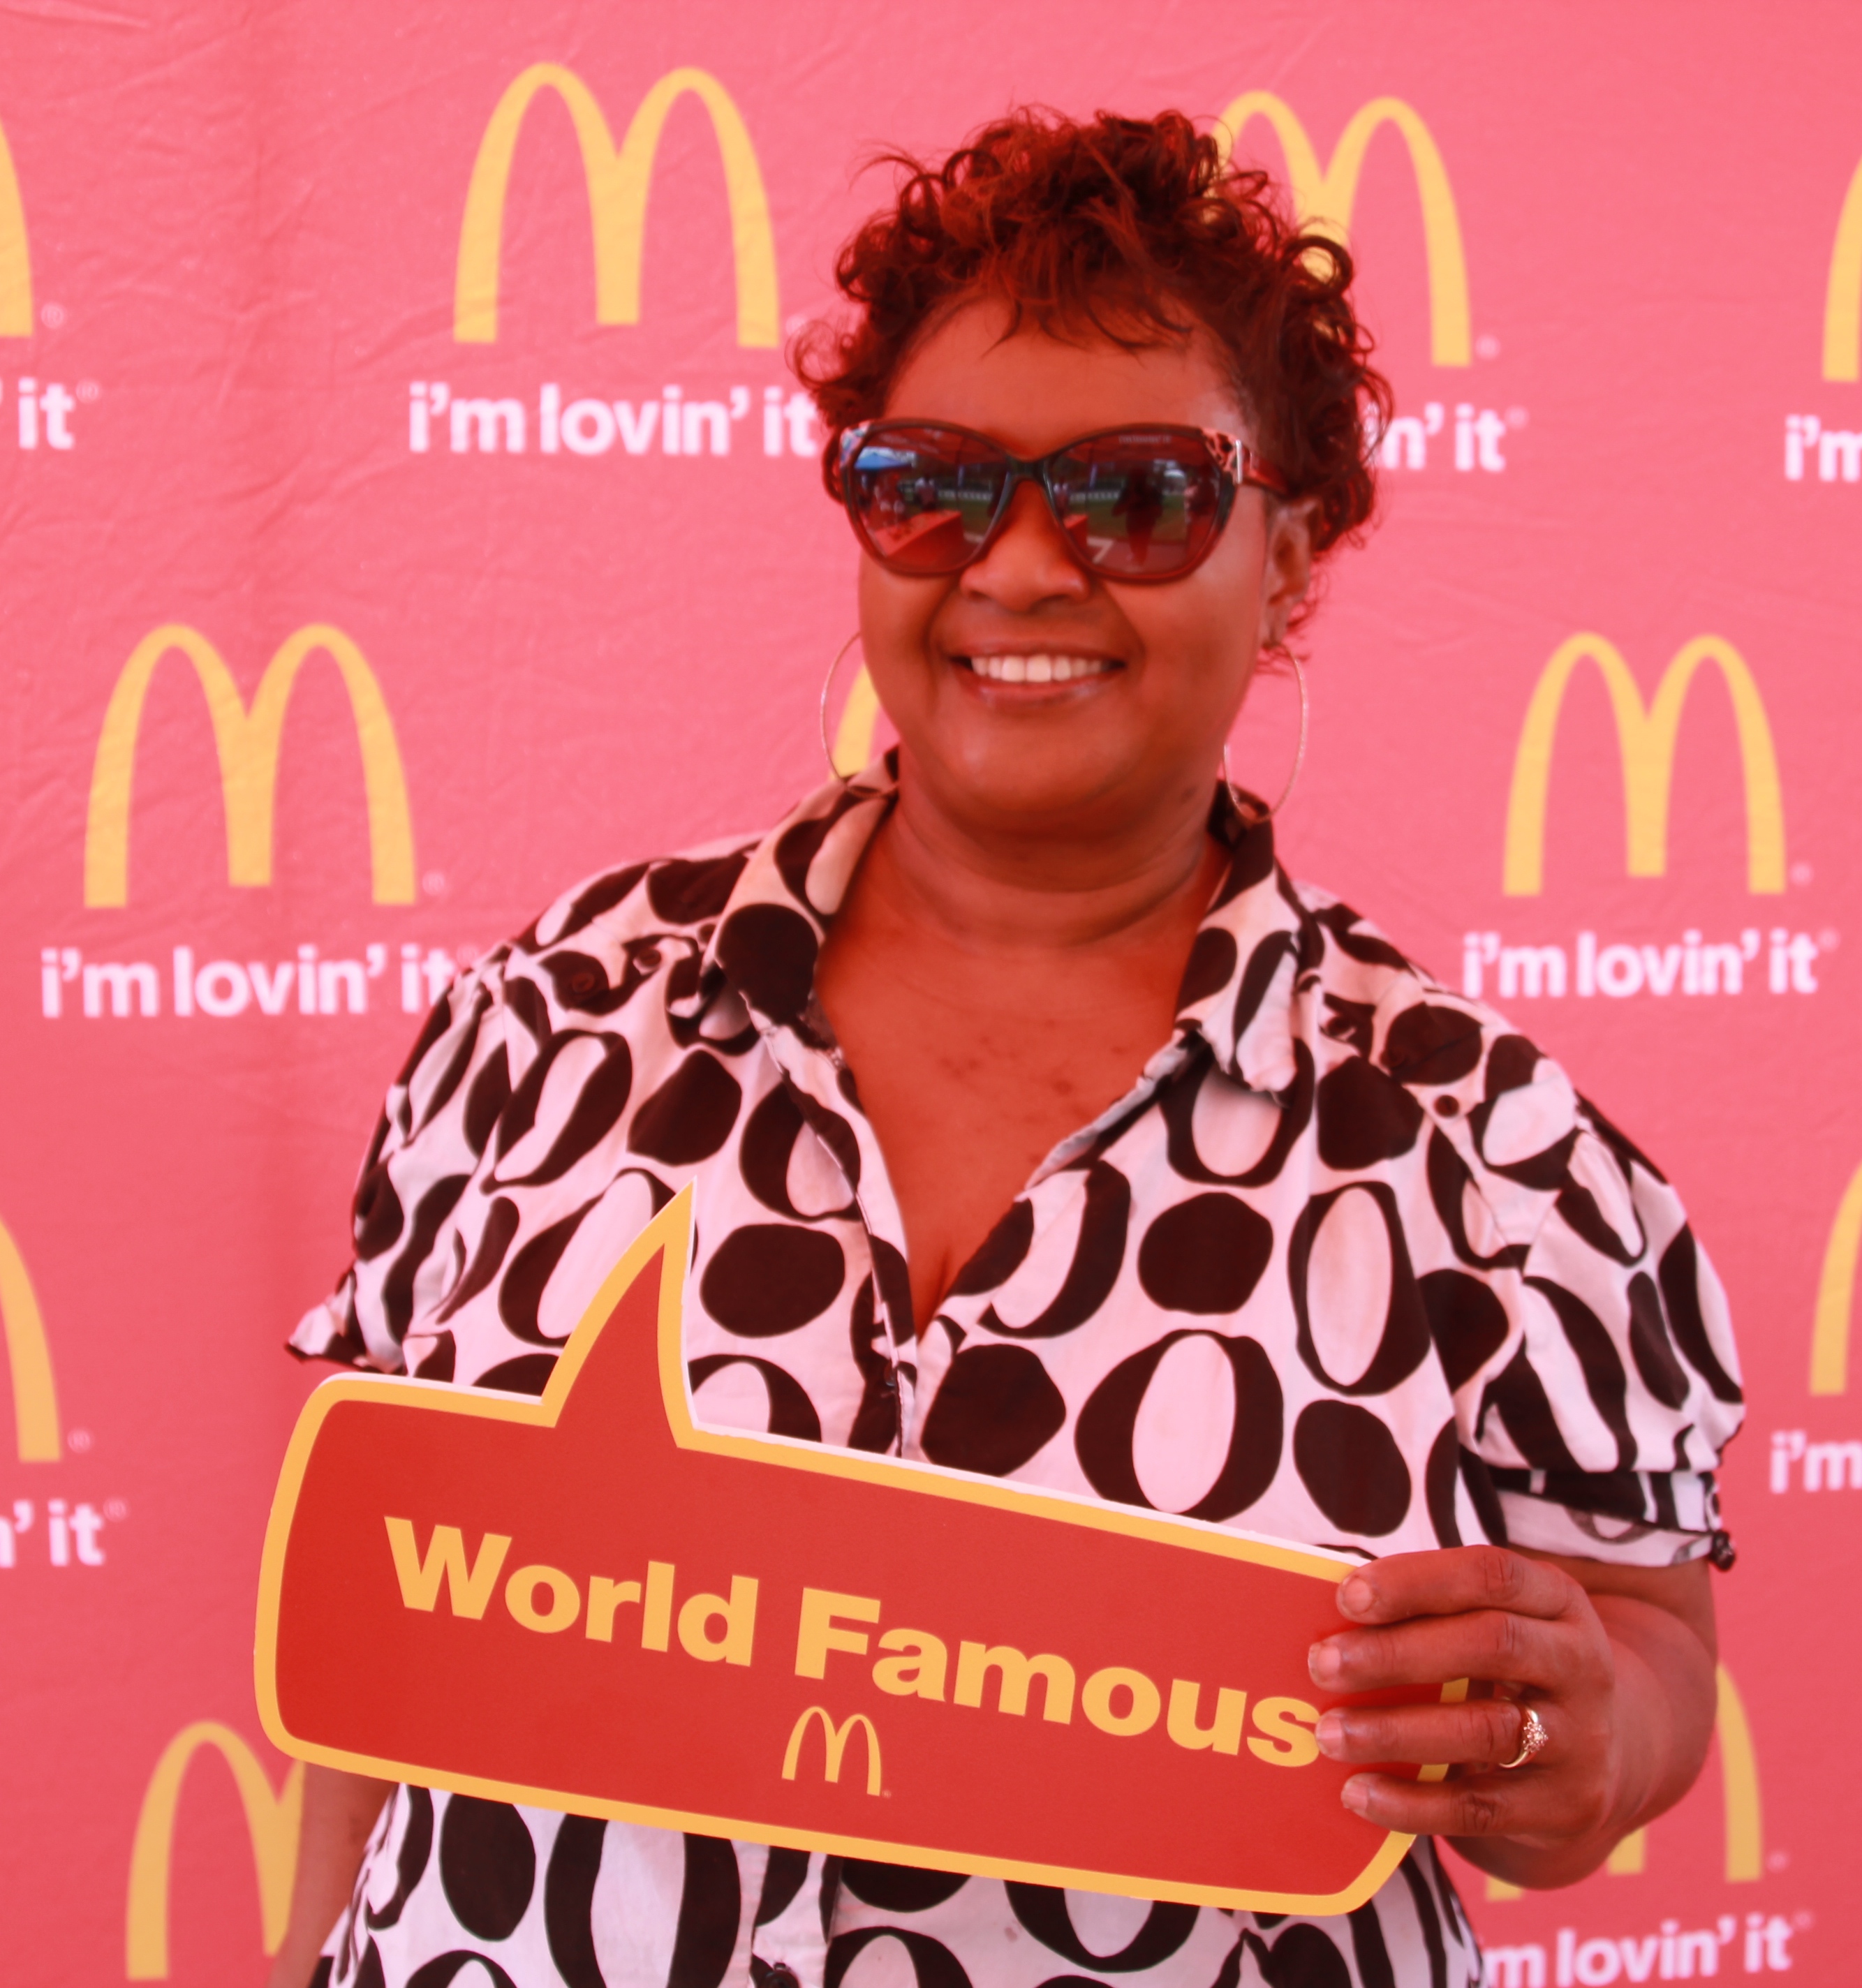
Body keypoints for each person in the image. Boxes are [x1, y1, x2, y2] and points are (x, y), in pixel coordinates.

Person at [272, 107, 1743, 1988]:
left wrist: (1582, 1735)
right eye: (935, 487)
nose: (1024, 567)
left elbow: (1643, 1642)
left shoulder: (1483, 1143)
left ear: (1289, 557)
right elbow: (380, 1614)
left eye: (1139, 496)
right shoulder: (558, 1011)